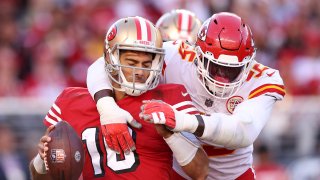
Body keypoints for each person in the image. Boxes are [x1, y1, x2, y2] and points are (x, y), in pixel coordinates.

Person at [86, 12, 286, 179]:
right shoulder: (176, 57)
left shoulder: (264, 79)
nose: (223, 78)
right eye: (215, 67)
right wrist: (107, 107)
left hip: (232, 175)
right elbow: (103, 63)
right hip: (179, 169)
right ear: (198, 55)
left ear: (248, 64)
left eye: (232, 70)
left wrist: (182, 120)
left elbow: (243, 132)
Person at [29, 16, 208, 180]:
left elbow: (201, 172)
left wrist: (171, 134)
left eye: (146, 64)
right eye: (132, 63)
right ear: (111, 59)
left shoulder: (169, 98)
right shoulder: (70, 101)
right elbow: (38, 176)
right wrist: (43, 160)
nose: (140, 72)